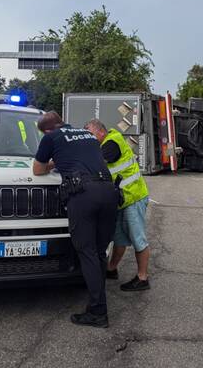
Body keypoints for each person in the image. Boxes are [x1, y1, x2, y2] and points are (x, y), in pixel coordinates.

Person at [33, 111, 118, 328]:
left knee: (87, 253)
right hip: (109, 192)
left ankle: (98, 313)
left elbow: (38, 169)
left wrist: (53, 163)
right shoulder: (87, 134)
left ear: (47, 129)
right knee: (99, 252)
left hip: (83, 194)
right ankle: (97, 305)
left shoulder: (51, 137)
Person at [85, 119, 150, 291]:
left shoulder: (112, 142)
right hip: (121, 200)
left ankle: (143, 278)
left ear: (101, 132)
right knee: (119, 238)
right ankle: (111, 269)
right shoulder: (105, 142)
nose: (89, 139)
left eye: (90, 134)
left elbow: (94, 163)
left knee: (138, 238)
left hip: (133, 196)